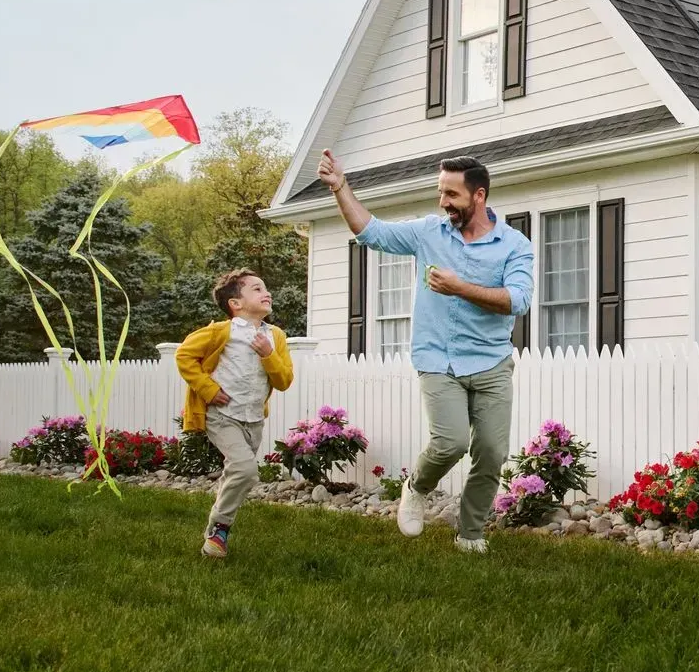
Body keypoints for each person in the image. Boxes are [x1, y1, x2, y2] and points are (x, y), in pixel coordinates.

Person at [317, 149, 534, 552]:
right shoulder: (429, 233)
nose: (443, 202)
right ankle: (416, 488)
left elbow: (518, 300)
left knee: (490, 451)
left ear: (479, 196)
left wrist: (459, 288)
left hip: (491, 362)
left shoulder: (514, 246)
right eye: (441, 192)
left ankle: (470, 534)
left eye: (451, 194)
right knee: (450, 442)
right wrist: (340, 188)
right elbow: (371, 231)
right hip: (439, 360)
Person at [174, 270, 295, 559]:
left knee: (236, 472)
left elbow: (284, 381)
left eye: (265, 288)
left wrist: (268, 354)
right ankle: (219, 530)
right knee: (245, 470)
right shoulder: (220, 332)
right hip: (221, 415)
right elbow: (184, 355)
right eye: (256, 289)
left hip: (253, 419)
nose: (266, 293)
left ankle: (217, 524)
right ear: (235, 304)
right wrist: (208, 389)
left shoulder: (275, 336)